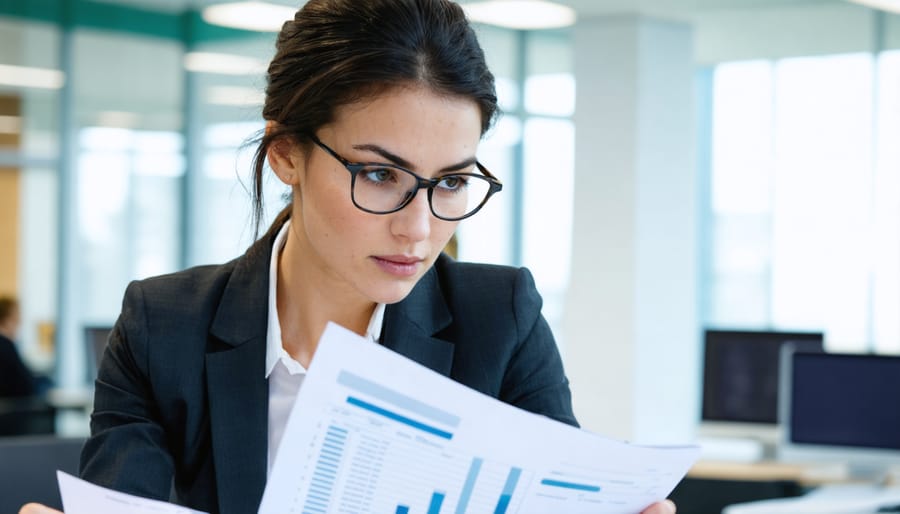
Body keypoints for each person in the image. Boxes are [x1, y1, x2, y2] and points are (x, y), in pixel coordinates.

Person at [20, 0, 677, 512]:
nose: (418, 230)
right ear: (285, 153)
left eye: (450, 182)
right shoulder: (164, 327)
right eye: (379, 175)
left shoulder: (498, 319)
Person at [0, 295, 37, 398]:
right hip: (14, 409)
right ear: (8, 320)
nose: (20, 322)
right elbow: (26, 386)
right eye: (17, 318)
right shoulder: (5, 346)